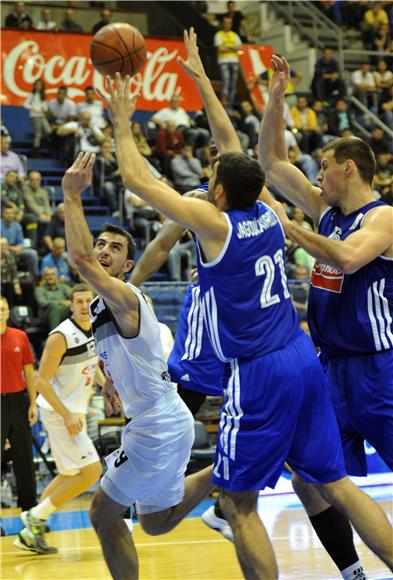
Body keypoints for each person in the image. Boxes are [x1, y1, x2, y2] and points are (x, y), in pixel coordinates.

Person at [96, 29, 393, 579]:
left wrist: (120, 118)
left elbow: (137, 177)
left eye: (210, 175)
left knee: (238, 505)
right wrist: (204, 82)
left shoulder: (214, 222)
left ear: (216, 191)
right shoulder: (262, 206)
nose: (208, 176)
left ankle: (220, 484)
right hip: (303, 354)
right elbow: (230, 141)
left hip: (258, 369)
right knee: (335, 483)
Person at [260, 54, 393, 577]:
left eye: (323, 167)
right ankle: (351, 572)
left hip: (379, 368)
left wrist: (287, 226)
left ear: (349, 168)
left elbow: (345, 256)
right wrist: (276, 94)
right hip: (331, 368)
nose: (316, 174)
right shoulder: (328, 212)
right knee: (309, 478)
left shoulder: (383, 217)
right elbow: (272, 163)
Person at [61, 157, 215, 578]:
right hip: (164, 420)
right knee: (155, 521)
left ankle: (233, 466)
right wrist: (110, 377)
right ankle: (226, 468)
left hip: (157, 426)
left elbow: (79, 258)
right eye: (102, 244)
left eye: (115, 248)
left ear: (128, 267)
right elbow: (119, 350)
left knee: (102, 513)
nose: (104, 251)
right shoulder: (99, 305)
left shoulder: (126, 297)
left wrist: (72, 196)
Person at [15, 284, 102, 555]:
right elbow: (41, 381)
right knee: (91, 472)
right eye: (79, 301)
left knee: (69, 474)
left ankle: (32, 532)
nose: (85, 305)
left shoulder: (96, 328)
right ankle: (35, 516)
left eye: (89, 300)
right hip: (58, 412)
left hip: (73, 411)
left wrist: (106, 386)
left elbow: (92, 365)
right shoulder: (61, 335)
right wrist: (67, 415)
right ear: (71, 305)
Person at [0, 296, 37, 512]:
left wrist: (32, 403)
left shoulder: (20, 337)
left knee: (24, 459)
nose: (0, 312)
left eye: (3, 308)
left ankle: (30, 512)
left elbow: (29, 372)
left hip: (18, 401)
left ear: (7, 313)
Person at [214, 16, 242, 109]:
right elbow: (221, 49)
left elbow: (240, 47)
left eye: (229, 23)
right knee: (225, 83)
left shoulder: (234, 35)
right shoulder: (219, 34)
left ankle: (230, 106)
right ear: (223, 23)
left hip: (234, 61)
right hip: (224, 61)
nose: (227, 25)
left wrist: (227, 47)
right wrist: (233, 47)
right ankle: (224, 105)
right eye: (226, 23)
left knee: (233, 85)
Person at [34, 267, 72, 331]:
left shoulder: (63, 287)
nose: (50, 277)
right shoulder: (39, 289)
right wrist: (61, 302)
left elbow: (74, 295)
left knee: (77, 305)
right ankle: (54, 334)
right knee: (55, 307)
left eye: (52, 274)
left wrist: (72, 303)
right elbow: (43, 303)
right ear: (43, 277)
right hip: (46, 316)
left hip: (64, 312)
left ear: (56, 276)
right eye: (47, 275)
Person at [23, 79, 52, 155]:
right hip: (34, 116)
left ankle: (41, 142)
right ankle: (36, 149)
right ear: (34, 86)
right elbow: (25, 104)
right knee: (38, 133)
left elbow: (46, 107)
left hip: (41, 115)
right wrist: (32, 108)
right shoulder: (32, 95)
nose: (38, 86)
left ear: (42, 86)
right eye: (37, 85)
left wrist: (44, 108)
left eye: (40, 85)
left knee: (48, 130)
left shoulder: (43, 96)